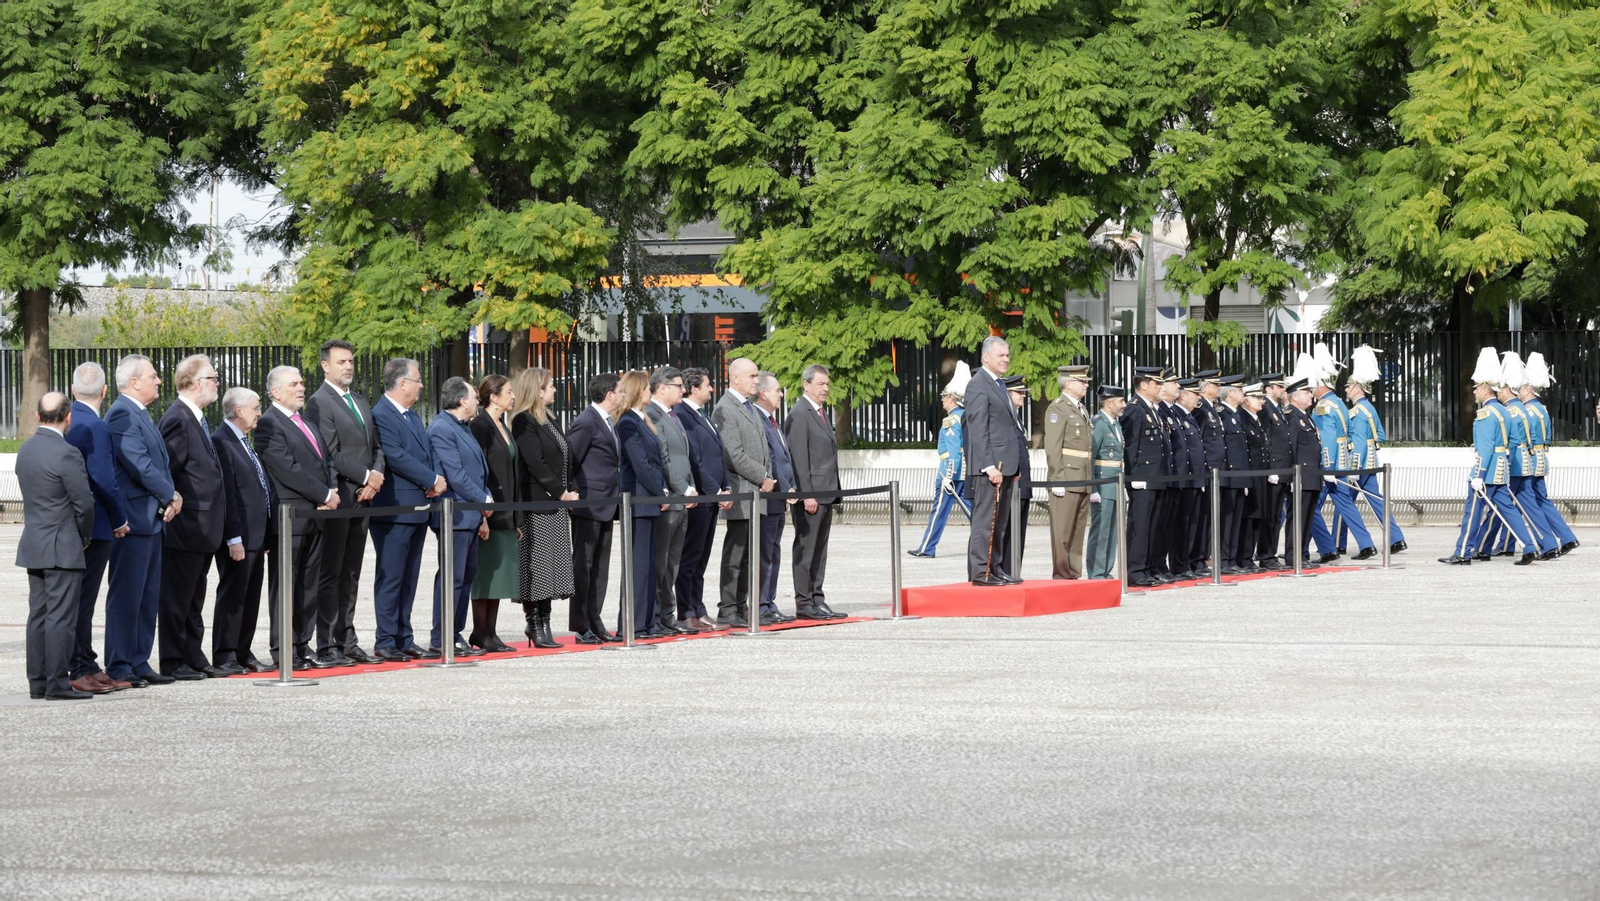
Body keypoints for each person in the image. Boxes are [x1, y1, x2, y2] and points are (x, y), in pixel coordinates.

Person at [303, 339, 386, 666]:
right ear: (325, 366)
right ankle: (327, 645)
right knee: (331, 573)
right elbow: (329, 453)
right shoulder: (318, 402)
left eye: (350, 361)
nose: (348, 366)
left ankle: (347, 641)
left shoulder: (361, 401)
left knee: (351, 573)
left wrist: (376, 475)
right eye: (341, 362)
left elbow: (376, 447)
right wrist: (366, 476)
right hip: (340, 499)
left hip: (364, 499)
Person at [255, 365, 340, 669]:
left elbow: (326, 461)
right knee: (286, 587)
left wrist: (332, 489)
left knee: (308, 585)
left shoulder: (306, 422)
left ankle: (303, 645)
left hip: (316, 516)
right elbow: (286, 469)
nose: (301, 388)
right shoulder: (268, 423)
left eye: (302, 383)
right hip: (290, 518)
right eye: (294, 384)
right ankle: (285, 650)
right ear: (275, 391)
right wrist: (324, 495)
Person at [104, 353, 180, 686]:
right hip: (133, 522)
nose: (159, 380)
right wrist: (171, 495)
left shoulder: (140, 413)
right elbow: (138, 464)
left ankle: (139, 661)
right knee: (127, 596)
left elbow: (157, 464)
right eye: (153, 376)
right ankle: (120, 664)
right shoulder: (121, 414)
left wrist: (169, 497)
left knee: (147, 597)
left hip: (151, 520)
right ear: (134, 382)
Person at [16, 393, 97, 700]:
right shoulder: (67, 453)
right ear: (68, 418)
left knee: (38, 615)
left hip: (34, 543)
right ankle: (58, 684)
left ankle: (38, 683)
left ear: (37, 416)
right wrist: (84, 536)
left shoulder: (25, 449)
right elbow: (84, 503)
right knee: (61, 617)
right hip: (62, 545)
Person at [369, 358, 448, 661]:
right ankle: (385, 640)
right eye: (417, 380)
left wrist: (435, 480)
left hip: (418, 506)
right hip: (394, 509)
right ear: (402, 384)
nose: (421, 386)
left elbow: (427, 452)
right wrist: (431, 479)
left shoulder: (412, 415)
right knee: (391, 577)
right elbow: (395, 456)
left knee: (409, 578)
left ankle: (404, 637)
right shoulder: (380, 415)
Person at [157, 354, 229, 679]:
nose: (217, 384)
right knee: (178, 597)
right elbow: (167, 471)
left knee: (194, 596)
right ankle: (174, 660)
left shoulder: (195, 418)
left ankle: (193, 656)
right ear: (197, 383)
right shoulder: (178, 418)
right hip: (185, 526)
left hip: (202, 527)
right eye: (213, 378)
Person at [63, 362, 132, 693]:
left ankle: (86, 662)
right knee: (84, 601)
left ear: (73, 389)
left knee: (79, 600)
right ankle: (80, 665)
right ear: (105, 391)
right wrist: (120, 518)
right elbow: (105, 479)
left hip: (73, 522)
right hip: (98, 524)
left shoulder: (70, 420)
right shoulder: (96, 425)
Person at [1442, 348, 1536, 565]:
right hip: (1501, 470)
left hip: (1486, 472)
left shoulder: (1485, 413)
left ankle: (1463, 553)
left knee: (1473, 514)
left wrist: (1480, 475)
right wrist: (1503, 458)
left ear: (1485, 388)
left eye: (1476, 387)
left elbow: (1484, 450)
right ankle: (1529, 547)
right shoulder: (1505, 410)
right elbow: (1514, 441)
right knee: (1509, 511)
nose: (1474, 391)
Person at [513, 366, 579, 649]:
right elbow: (535, 463)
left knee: (554, 567)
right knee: (537, 567)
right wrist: (561, 492)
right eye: (550, 385)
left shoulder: (550, 419)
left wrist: (573, 488)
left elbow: (565, 458)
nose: (554, 389)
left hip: (557, 505)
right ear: (537, 391)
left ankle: (546, 623)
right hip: (537, 505)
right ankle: (534, 624)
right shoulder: (523, 421)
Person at [211, 387, 275, 674]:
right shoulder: (221, 441)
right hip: (238, 536)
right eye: (255, 407)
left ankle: (242, 651)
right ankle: (225, 654)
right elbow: (228, 494)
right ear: (238, 411)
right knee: (233, 597)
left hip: (255, 535)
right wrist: (233, 537)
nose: (259, 413)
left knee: (250, 597)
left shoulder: (243, 441)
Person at [428, 377, 492, 655]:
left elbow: (478, 471)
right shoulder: (442, 427)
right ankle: (442, 637)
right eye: (474, 396)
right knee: (452, 578)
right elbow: (455, 474)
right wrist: (483, 499)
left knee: (465, 577)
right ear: (463, 401)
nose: (478, 400)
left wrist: (485, 496)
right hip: (454, 514)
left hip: (469, 514)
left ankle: (455, 634)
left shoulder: (462, 427)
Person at [711, 358, 775, 627]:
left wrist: (766, 476)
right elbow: (733, 454)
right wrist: (762, 476)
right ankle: (728, 608)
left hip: (756, 492)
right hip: (741, 491)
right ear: (735, 378)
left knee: (749, 556)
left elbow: (762, 447)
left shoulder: (749, 406)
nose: (756, 381)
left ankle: (741, 605)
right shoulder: (724, 408)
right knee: (735, 555)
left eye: (757, 376)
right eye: (751, 376)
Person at [1477, 353, 1559, 559]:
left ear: (1507, 389)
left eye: (1501, 388)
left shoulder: (1512, 411)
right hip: (1526, 460)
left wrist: (1504, 463)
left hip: (1515, 463)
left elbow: (1512, 441)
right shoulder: (1524, 409)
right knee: (1528, 506)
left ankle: (1483, 547)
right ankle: (1548, 544)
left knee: (1499, 506)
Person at [785, 363, 846, 619]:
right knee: (806, 549)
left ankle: (817, 598)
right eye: (820, 384)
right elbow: (798, 458)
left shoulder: (820, 412)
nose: (825, 388)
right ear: (806, 385)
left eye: (827, 384)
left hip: (826, 492)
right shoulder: (800, 413)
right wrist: (806, 494)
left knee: (819, 550)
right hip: (811, 495)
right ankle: (804, 603)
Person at [567, 373, 623, 643]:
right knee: (584, 566)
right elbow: (570, 460)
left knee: (600, 568)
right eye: (620, 391)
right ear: (609, 394)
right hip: (588, 505)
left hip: (607, 503)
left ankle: (595, 620)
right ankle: (581, 625)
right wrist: (573, 493)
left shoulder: (607, 421)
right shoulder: (586, 421)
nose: (623, 395)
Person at [675, 367, 733, 631]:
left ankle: (698, 609)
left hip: (711, 498)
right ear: (693, 389)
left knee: (701, 558)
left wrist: (726, 487)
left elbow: (718, 455)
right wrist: (715, 491)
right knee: (690, 558)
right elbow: (694, 461)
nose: (712, 388)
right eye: (707, 384)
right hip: (698, 498)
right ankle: (686, 611)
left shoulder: (702, 415)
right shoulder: (682, 416)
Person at [1307, 343, 1376, 563]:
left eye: (1313, 385)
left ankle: (1306, 548)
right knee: (1344, 506)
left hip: (1329, 466)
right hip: (1341, 463)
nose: (1311, 390)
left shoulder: (1323, 407)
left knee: (1311, 508)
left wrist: (1327, 467)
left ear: (1321, 384)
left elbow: (1327, 440)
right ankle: (1366, 544)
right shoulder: (1338, 402)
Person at [963, 337, 1023, 587]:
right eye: (1001, 355)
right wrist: (988, 466)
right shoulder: (978, 384)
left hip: (1005, 464)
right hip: (991, 466)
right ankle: (981, 572)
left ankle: (995, 567)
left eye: (1007, 355)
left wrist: (1014, 464)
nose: (1006, 359)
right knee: (986, 521)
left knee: (1000, 522)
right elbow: (978, 429)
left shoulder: (998, 384)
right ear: (986, 357)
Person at [643, 366, 698, 634]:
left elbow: (682, 456)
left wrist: (691, 487)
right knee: (661, 562)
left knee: (673, 563)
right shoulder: (652, 414)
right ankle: (656, 616)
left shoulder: (672, 415)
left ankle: (667, 615)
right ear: (662, 388)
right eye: (679, 386)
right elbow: (663, 459)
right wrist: (684, 489)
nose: (684, 390)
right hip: (670, 499)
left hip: (681, 499)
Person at [468, 373, 519, 653]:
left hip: (506, 511)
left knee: (499, 576)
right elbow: (479, 472)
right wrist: (482, 516)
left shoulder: (503, 425)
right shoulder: (480, 426)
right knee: (486, 574)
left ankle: (491, 631)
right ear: (494, 396)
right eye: (508, 392)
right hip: (489, 512)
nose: (513, 396)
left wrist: (516, 517)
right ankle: (480, 631)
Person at [1339, 346, 1406, 556]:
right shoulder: (1369, 408)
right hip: (1371, 460)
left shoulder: (1357, 412)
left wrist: (1354, 469)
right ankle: (1396, 539)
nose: (1346, 390)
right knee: (1374, 501)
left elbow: (1358, 443)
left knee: (1343, 500)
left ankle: (1342, 544)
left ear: (1357, 389)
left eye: (1348, 387)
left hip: (1359, 464)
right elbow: (1380, 435)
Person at [615, 370, 666, 639]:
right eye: (646, 388)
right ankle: (633, 624)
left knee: (649, 566)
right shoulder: (627, 423)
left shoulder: (641, 420)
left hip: (649, 501)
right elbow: (641, 465)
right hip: (638, 501)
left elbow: (655, 462)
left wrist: (661, 490)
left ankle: (646, 623)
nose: (650, 392)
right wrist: (660, 492)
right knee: (638, 567)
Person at [908, 362, 972, 558]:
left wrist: (948, 476)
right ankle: (992, 541)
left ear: (952, 398)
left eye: (944, 396)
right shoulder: (966, 417)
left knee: (938, 513)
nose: (942, 399)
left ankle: (927, 548)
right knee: (973, 513)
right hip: (964, 474)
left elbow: (953, 453)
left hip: (950, 475)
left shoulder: (951, 420)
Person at [1521, 353, 1579, 555]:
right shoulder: (1541, 409)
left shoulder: (1528, 410)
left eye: (1520, 388)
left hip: (1530, 458)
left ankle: (1547, 542)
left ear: (1528, 389)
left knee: (1529, 501)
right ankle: (1566, 537)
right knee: (1542, 500)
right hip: (1540, 456)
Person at [755, 371, 800, 623]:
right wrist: (785, 487)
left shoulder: (773, 421)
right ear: (763, 393)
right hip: (769, 496)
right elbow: (770, 458)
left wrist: (791, 485)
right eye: (777, 390)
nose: (781, 394)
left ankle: (769, 603)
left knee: (773, 552)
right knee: (765, 554)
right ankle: (761, 605)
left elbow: (784, 458)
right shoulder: (759, 421)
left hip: (779, 498)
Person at [1043, 365, 1092, 579]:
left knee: (1077, 531)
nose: (1086, 385)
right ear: (1069, 383)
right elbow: (1053, 447)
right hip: (1067, 477)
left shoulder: (1081, 408)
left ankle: (1073, 572)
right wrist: (1057, 479)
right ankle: (1062, 574)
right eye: (1083, 382)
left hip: (1082, 477)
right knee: (1062, 531)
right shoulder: (1058, 408)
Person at [1121, 366, 1166, 587]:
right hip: (1142, 477)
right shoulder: (1134, 408)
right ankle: (1135, 571)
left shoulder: (1151, 408)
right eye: (1157, 383)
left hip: (1155, 476)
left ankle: (1147, 567)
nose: (1160, 387)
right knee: (1139, 525)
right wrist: (1134, 475)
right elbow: (1130, 445)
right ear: (1144, 385)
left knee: (1152, 525)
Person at [1283, 362, 1326, 566]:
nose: (1310, 395)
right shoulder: (1291, 417)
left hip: (1312, 475)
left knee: (1307, 517)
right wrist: (1293, 477)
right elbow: (1291, 448)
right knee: (1298, 517)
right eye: (1306, 392)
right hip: (1301, 476)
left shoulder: (1306, 417)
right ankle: (1293, 555)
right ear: (1295, 397)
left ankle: (1302, 553)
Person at [1085, 386, 1125, 580]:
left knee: (1113, 529)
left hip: (1115, 482)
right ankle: (1096, 571)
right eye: (1121, 401)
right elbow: (1091, 457)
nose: (1123, 405)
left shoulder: (1115, 424)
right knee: (1101, 528)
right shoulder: (1098, 424)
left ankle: (1106, 569)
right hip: (1102, 483)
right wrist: (1093, 488)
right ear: (1109, 403)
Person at [1166, 376, 1204, 578]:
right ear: (1183, 397)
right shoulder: (1177, 414)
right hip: (1183, 478)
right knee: (1181, 525)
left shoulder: (1187, 415)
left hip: (1194, 477)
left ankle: (1186, 562)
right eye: (1195, 394)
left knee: (1191, 523)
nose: (1198, 397)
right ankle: (1179, 565)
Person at [1256, 373, 1293, 569]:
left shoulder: (1277, 409)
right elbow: (1266, 441)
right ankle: (1266, 555)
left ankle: (1270, 553)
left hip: (1282, 469)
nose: (1283, 390)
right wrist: (1271, 468)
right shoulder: (1265, 409)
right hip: (1274, 471)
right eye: (1279, 387)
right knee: (1270, 515)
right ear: (1268, 389)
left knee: (1276, 515)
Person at [1216, 378, 1250, 575]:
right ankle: (1223, 559)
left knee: (1236, 520)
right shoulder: (1222, 413)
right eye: (1239, 389)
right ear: (1230, 393)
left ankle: (1231, 558)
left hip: (1239, 475)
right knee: (1227, 520)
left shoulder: (1235, 414)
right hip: (1228, 475)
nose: (1243, 393)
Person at [1237, 384, 1271, 571]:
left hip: (1260, 474)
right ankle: (1243, 557)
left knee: (1258, 515)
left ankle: (1248, 557)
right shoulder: (1243, 418)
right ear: (1246, 400)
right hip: (1250, 474)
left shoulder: (1256, 419)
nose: (1262, 401)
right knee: (1248, 516)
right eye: (1257, 398)